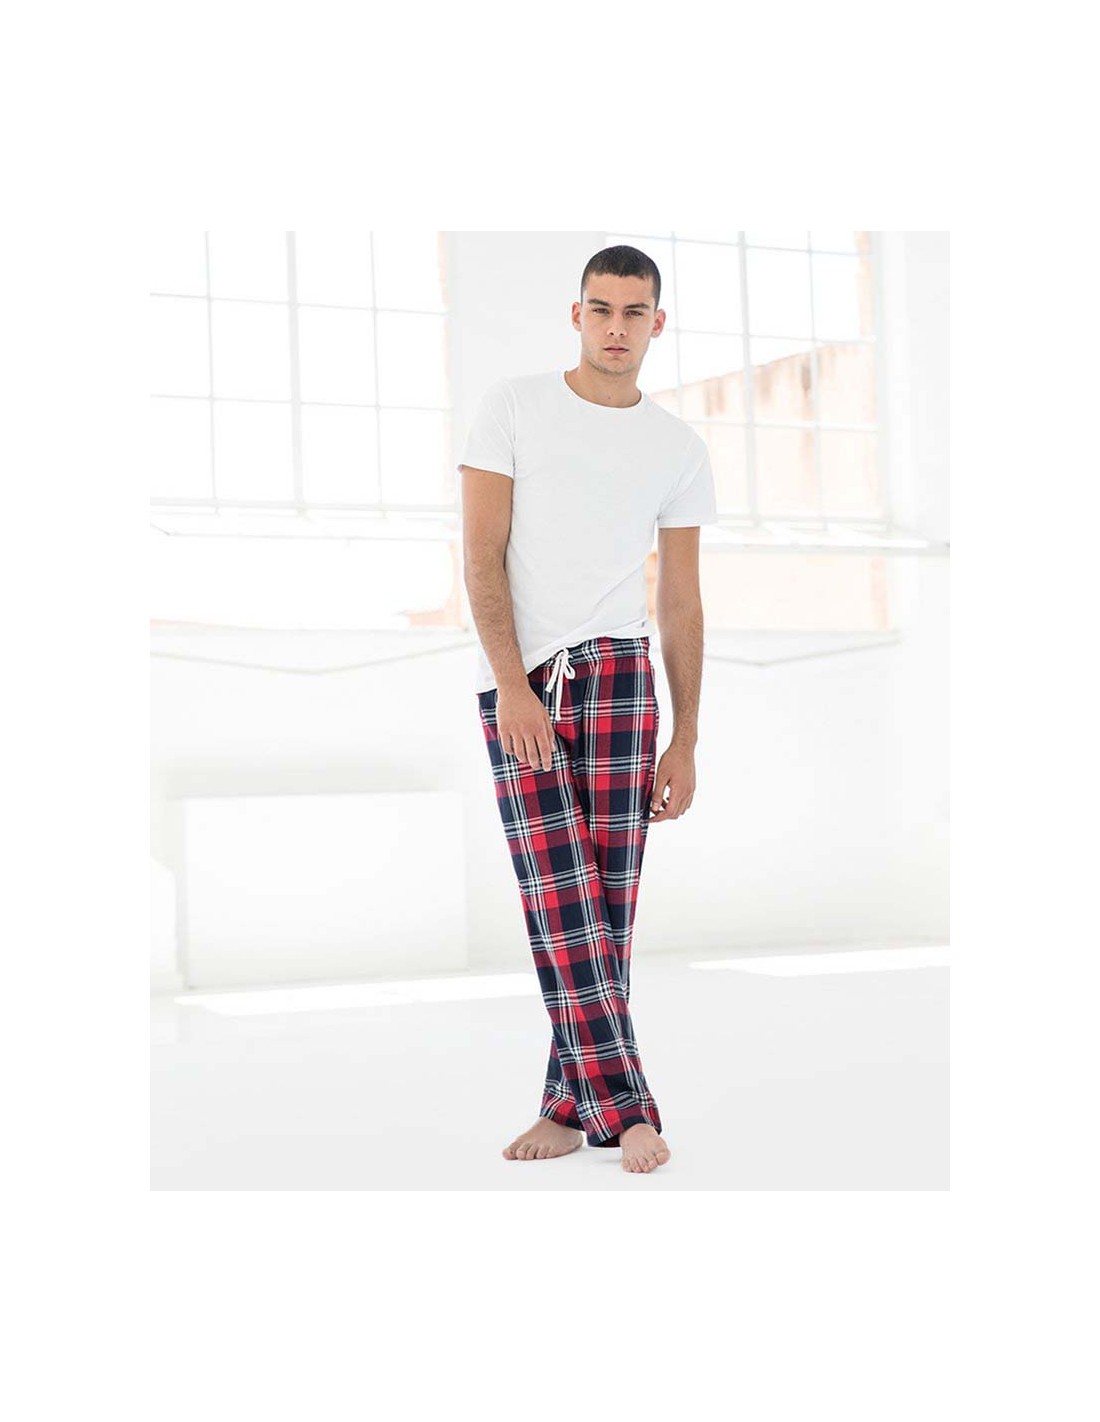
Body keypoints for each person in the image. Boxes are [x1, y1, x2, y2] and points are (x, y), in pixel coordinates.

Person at [458, 244, 717, 1174]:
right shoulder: (514, 407)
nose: (616, 327)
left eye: (634, 312)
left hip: (623, 681)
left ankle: (567, 1107)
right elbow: (480, 557)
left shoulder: (678, 448)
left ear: (657, 323)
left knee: (605, 909)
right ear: (577, 315)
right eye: (601, 309)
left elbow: (681, 599)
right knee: (556, 895)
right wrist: (512, 685)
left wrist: (686, 739)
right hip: (526, 680)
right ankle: (630, 1110)